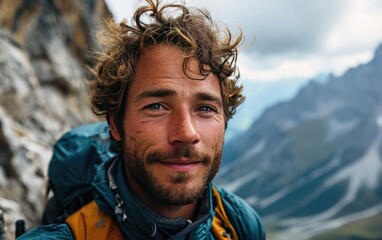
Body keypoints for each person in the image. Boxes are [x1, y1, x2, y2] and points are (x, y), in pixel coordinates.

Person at [18, 0, 265, 239]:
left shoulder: (241, 224)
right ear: (115, 124)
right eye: (156, 106)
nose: (187, 133)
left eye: (205, 108)